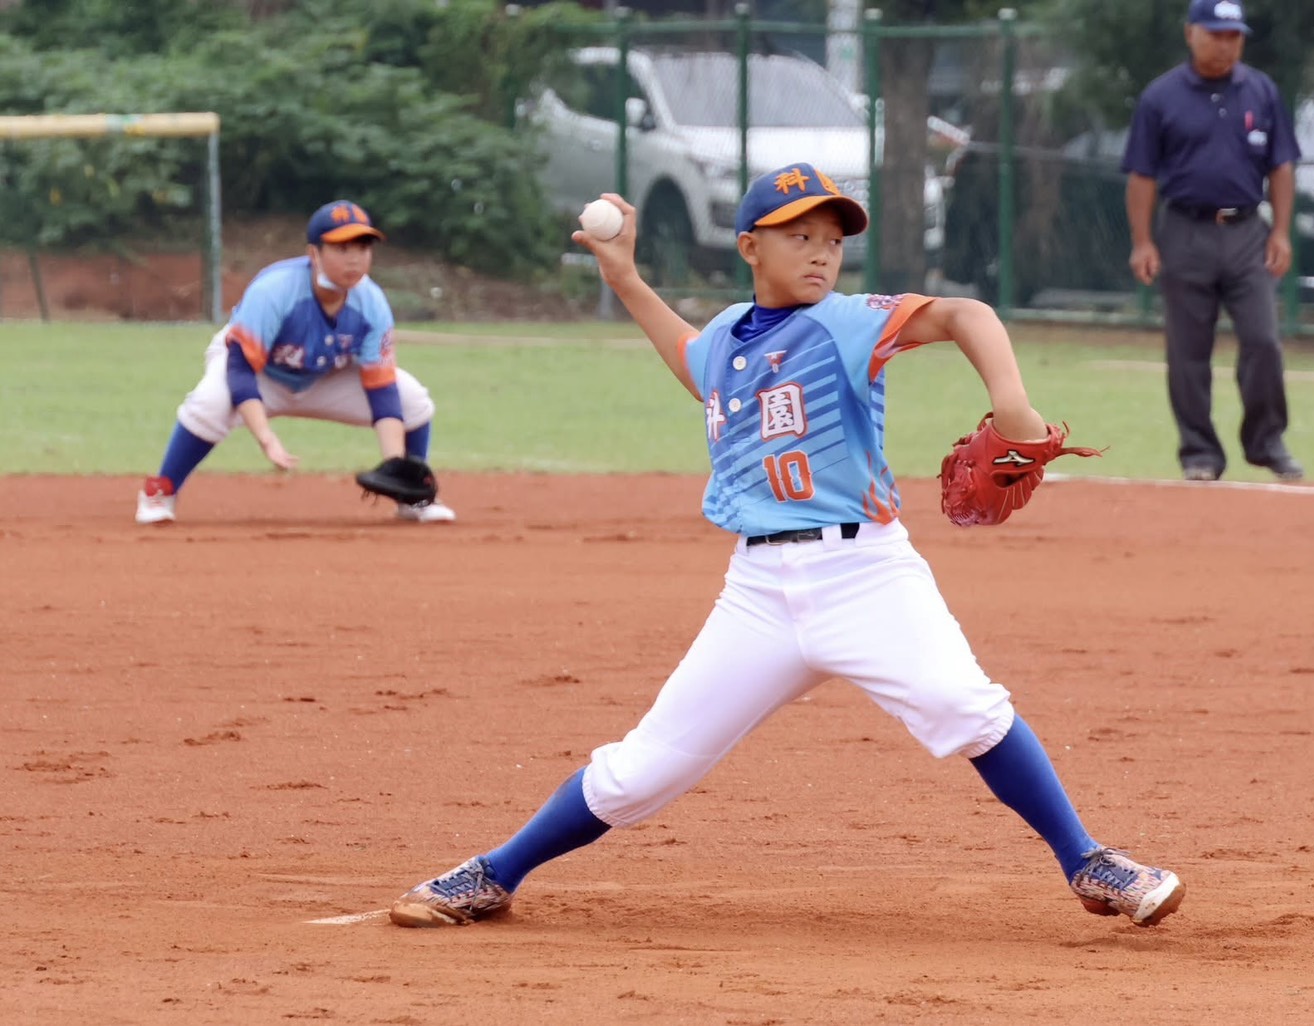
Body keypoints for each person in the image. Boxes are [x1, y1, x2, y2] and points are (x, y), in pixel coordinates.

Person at [387, 163, 1185, 930]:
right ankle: (495, 872)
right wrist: (625, 279)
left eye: (832, 239)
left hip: (864, 572)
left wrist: (1011, 403)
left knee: (961, 705)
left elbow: (966, 314)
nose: (820, 252)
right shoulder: (731, 333)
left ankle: (1087, 861)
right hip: (758, 591)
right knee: (645, 769)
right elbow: (696, 364)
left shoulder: (848, 322)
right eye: (797, 235)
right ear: (749, 249)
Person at [134, 200, 455, 524]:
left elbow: (381, 387)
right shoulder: (275, 291)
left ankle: (412, 499)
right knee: (210, 402)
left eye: (362, 246)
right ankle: (162, 490)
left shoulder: (372, 303)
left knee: (411, 399)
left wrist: (395, 467)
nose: (355, 258)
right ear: (314, 254)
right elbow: (241, 370)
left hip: (325, 376)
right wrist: (266, 437)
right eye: (341, 248)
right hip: (258, 373)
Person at [1122, 0, 1304, 483]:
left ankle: (1267, 442)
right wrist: (1143, 242)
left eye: (1234, 35)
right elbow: (1141, 175)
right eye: (1216, 33)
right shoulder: (1161, 97)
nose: (1226, 44)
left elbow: (1281, 166)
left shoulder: (1261, 90)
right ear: (1191, 34)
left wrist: (1281, 231)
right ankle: (1199, 452)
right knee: (1188, 351)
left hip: (1247, 232)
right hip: (1184, 230)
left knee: (1263, 340)